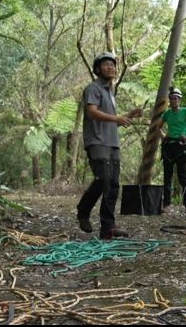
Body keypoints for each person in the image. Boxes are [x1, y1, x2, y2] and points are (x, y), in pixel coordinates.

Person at [76, 51, 143, 240]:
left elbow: (111, 118)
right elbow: (92, 112)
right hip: (97, 141)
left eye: (112, 65)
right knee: (102, 179)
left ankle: (108, 227)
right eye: (106, 65)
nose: (110, 67)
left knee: (113, 184)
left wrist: (128, 115)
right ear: (97, 69)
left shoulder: (109, 91)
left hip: (112, 142)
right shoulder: (93, 88)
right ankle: (83, 210)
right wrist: (117, 118)